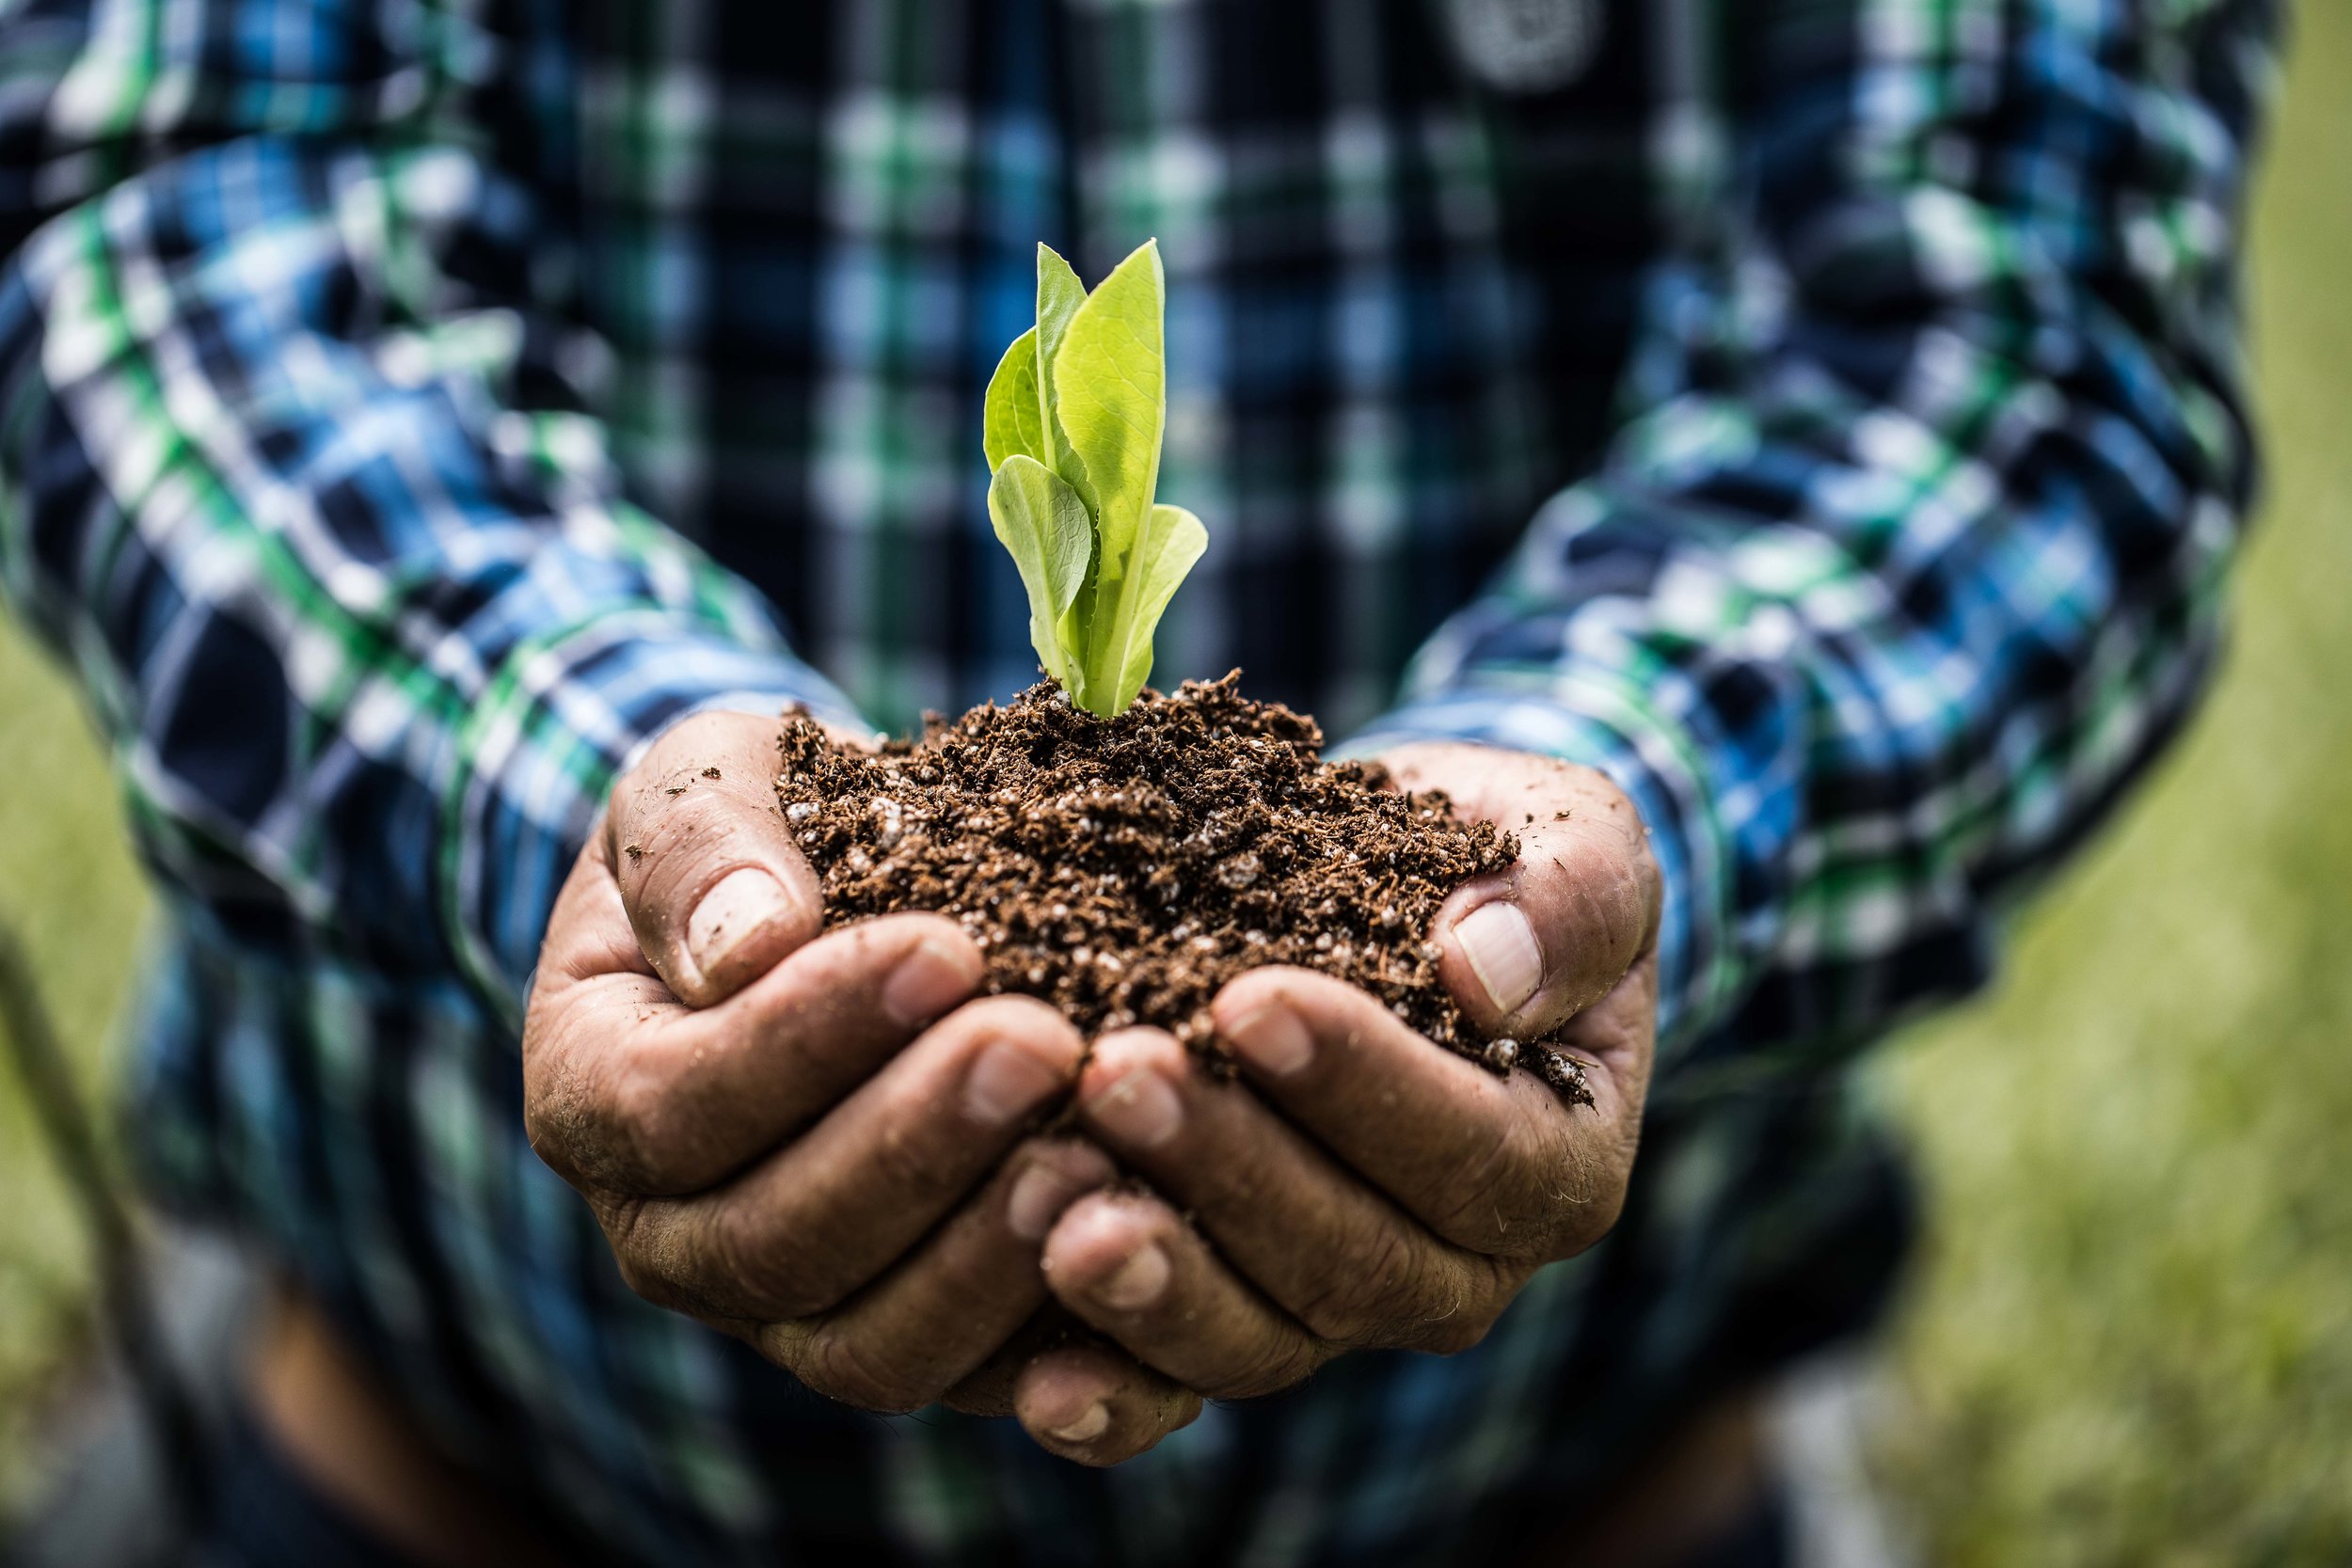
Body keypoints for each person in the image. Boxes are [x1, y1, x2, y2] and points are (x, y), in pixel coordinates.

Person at [0, 0, 2274, 1562]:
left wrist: (1613, 797)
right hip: (442, 1468)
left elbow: (2015, 325)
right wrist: (580, 773)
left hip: (1580, 1489)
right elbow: (173, 221)